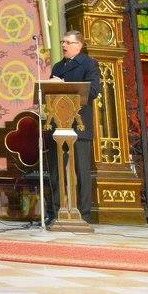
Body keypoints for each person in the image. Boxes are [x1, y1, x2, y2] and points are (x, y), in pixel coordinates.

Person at [46, 30, 101, 224]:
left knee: (82, 170)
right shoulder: (58, 66)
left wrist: (64, 84)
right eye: (62, 42)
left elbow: (93, 91)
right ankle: (55, 213)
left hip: (79, 123)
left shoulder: (89, 64)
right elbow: (49, 93)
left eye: (68, 42)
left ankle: (84, 214)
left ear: (79, 45)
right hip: (58, 122)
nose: (63, 45)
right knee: (56, 171)